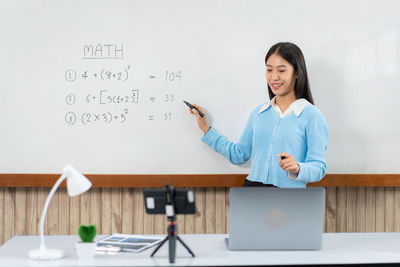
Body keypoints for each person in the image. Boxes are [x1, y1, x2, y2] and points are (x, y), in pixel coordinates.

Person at [188, 42, 328, 188]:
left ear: (297, 72)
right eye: (269, 70)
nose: (274, 77)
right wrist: (205, 129)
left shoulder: (312, 116)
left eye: (281, 70)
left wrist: (298, 168)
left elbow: (319, 167)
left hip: (289, 197)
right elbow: (239, 154)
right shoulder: (258, 114)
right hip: (252, 191)